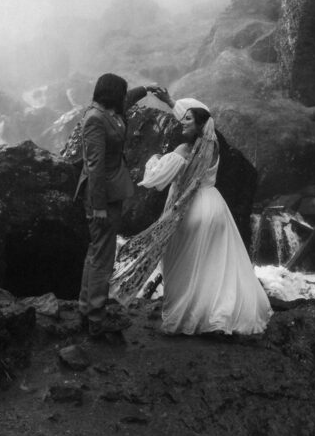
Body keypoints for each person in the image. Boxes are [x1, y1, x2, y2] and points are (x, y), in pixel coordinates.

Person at [112, 94, 272, 336]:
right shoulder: (214, 145)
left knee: (184, 265)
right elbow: (193, 116)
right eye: (182, 118)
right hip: (215, 206)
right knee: (214, 266)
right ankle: (218, 315)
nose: (181, 122)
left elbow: (155, 180)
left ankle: (191, 315)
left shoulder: (184, 149)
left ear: (198, 125)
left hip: (190, 210)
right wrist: (169, 102)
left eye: (187, 120)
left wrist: (153, 159)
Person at [75, 72, 162, 337]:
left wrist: (146, 88)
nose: (125, 98)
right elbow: (95, 167)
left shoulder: (111, 110)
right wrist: (99, 206)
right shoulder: (95, 120)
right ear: (112, 95)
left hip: (111, 192)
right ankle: (97, 318)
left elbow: (129, 101)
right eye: (122, 93)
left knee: (97, 251)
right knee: (103, 256)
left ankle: (86, 309)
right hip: (101, 196)